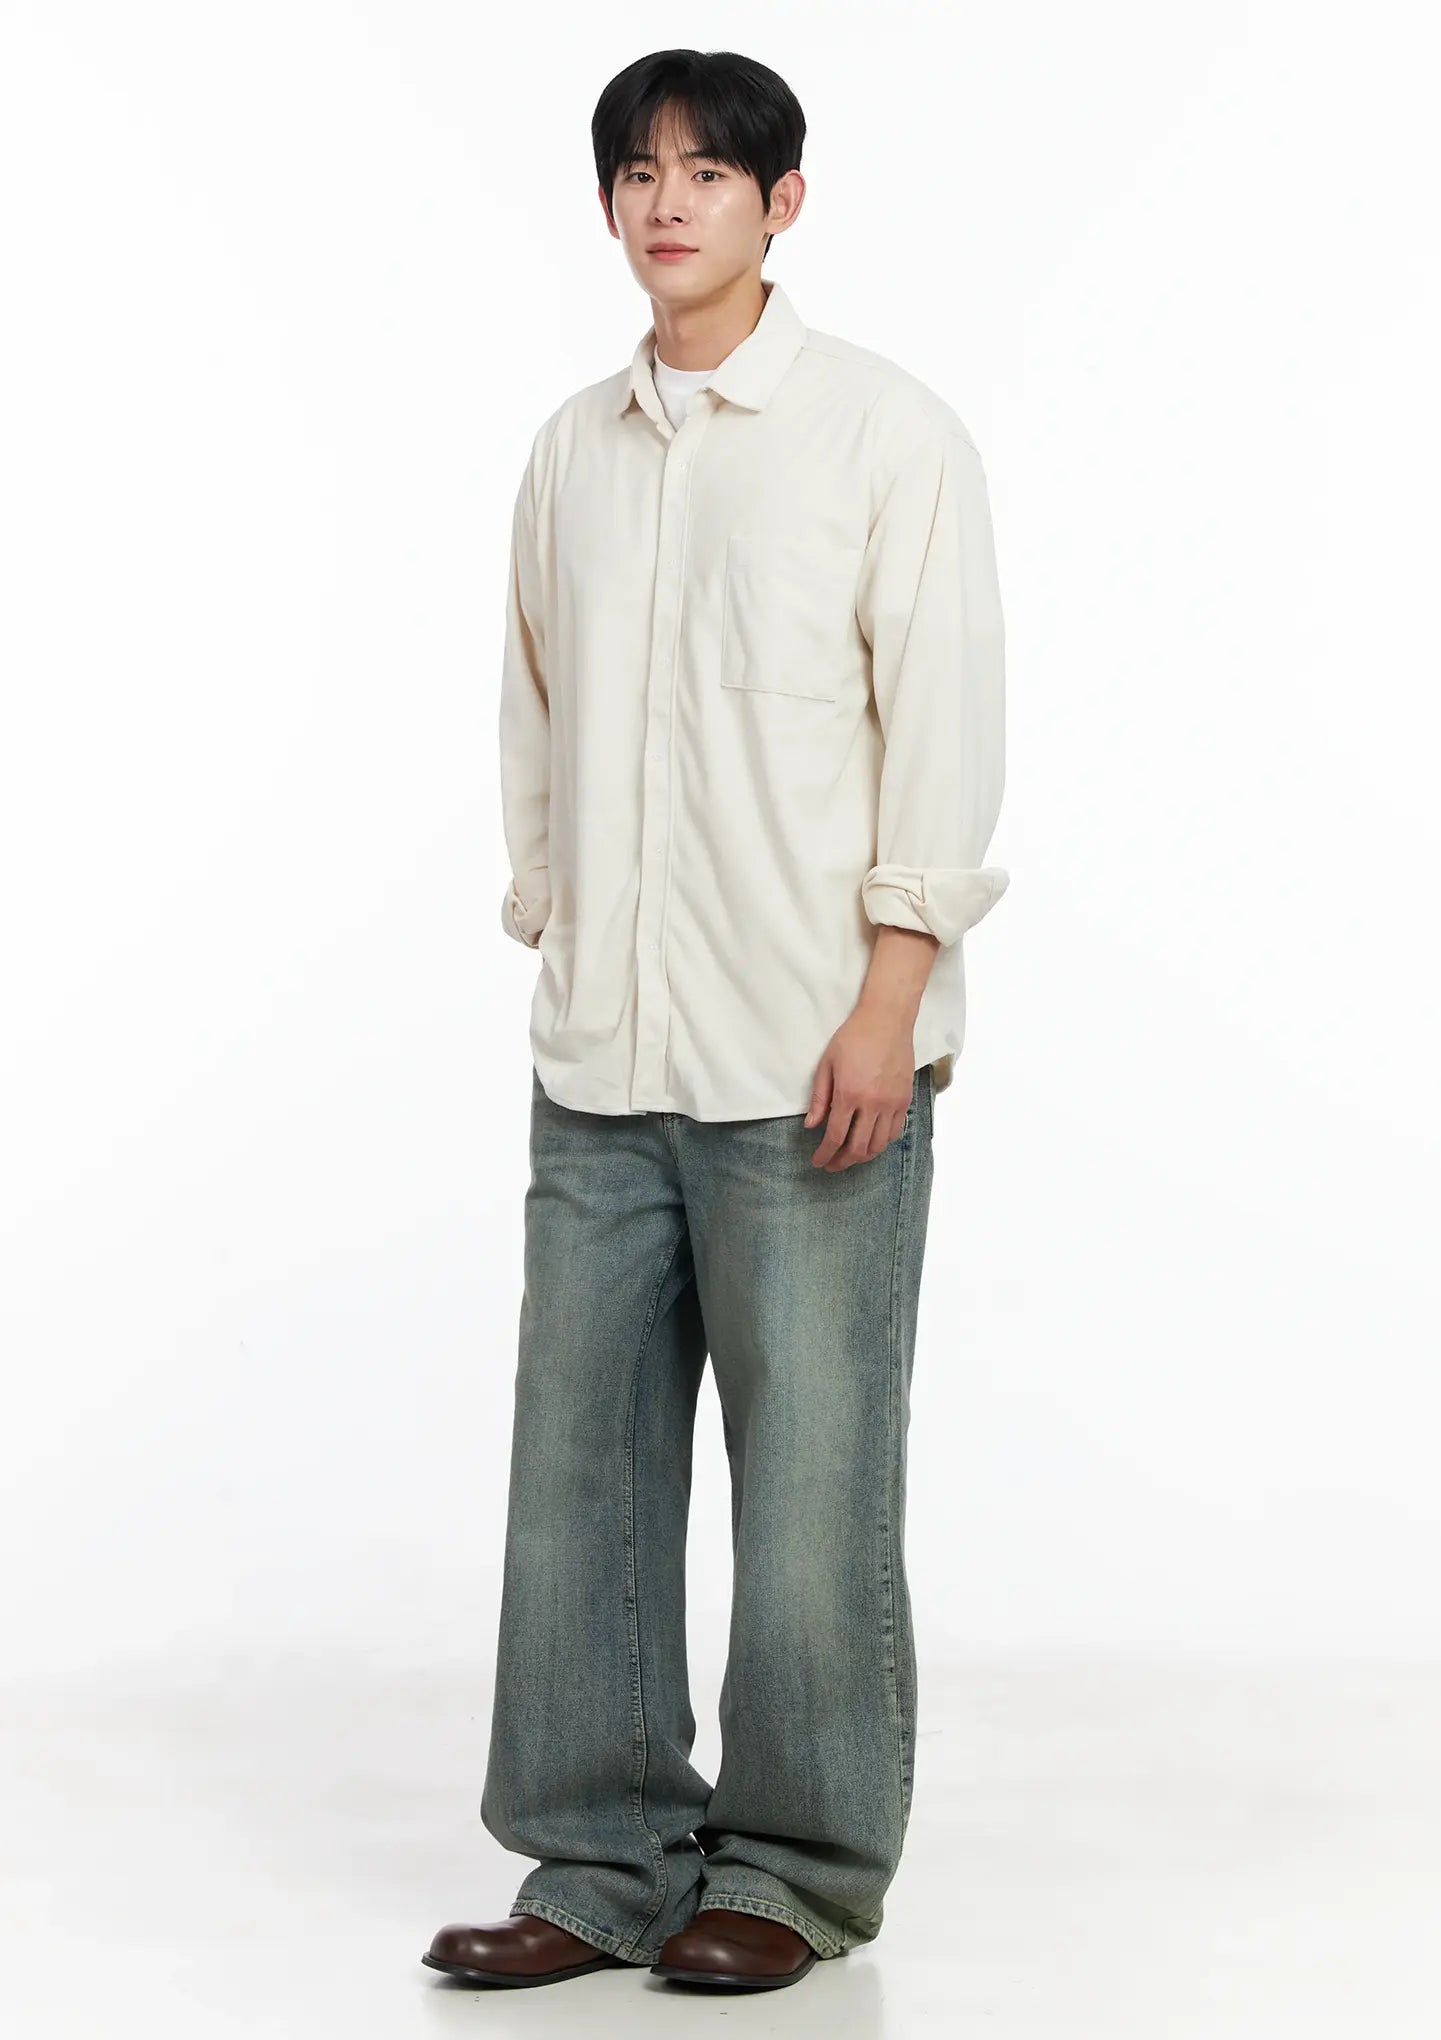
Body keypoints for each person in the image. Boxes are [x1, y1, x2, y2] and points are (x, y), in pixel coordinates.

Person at [423, 46, 1008, 1996]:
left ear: (783, 203)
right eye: (639, 173)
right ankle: (599, 1864)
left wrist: (894, 996)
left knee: (815, 1489)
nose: (670, 203)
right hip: (606, 1056)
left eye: (710, 173)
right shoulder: (571, 452)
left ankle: (796, 1869)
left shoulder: (886, 438)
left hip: (813, 1057)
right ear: (608, 204)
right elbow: (533, 709)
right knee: (578, 1481)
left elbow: (942, 730)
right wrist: (557, 923)